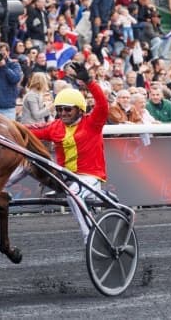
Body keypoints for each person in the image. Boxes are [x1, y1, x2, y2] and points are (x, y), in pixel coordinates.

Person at [27, 62, 108, 241]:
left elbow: (102, 105)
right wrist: (6, 126)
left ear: (80, 110)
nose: (63, 113)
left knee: (74, 193)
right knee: (27, 164)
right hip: (65, 177)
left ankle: (89, 237)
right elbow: (30, 130)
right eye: (59, 109)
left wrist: (89, 82)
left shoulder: (92, 123)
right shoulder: (55, 127)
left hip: (90, 176)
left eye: (67, 109)